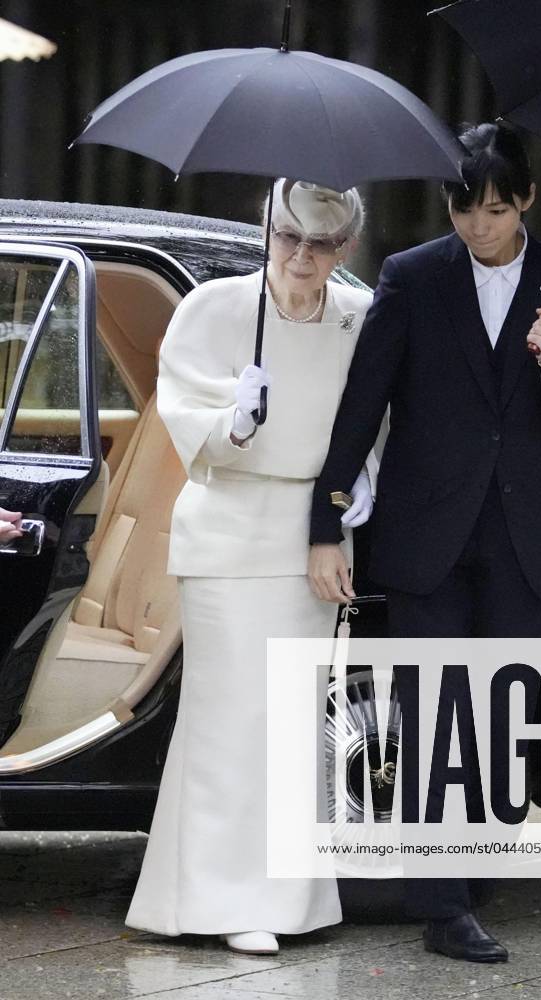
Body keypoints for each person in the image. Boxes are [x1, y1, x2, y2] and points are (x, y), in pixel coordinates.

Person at [308, 121, 541, 963]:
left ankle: (466, 873)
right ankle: (441, 906)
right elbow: (362, 405)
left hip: (522, 537)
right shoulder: (410, 278)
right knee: (434, 715)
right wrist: (326, 521)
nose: (480, 226)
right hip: (426, 532)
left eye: (497, 209)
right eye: (465, 208)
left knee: (503, 718)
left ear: (528, 202)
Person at [125, 179, 375, 955]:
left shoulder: (358, 317)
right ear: (264, 229)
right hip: (229, 528)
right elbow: (182, 405)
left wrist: (358, 480)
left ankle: (288, 900)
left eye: (322, 243)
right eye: (287, 236)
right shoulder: (216, 307)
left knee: (295, 720)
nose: (301, 256)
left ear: (347, 248)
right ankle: (217, 901)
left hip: (313, 535)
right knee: (230, 719)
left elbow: (377, 417)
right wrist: (228, 422)